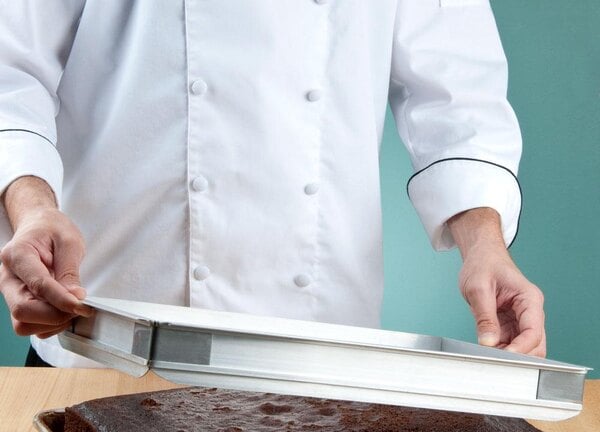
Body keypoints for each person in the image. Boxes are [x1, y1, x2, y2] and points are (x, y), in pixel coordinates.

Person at [0, 1, 546, 368]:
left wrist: (485, 245)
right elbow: (12, 70)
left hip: (319, 352)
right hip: (108, 334)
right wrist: (31, 211)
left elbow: (455, 100)